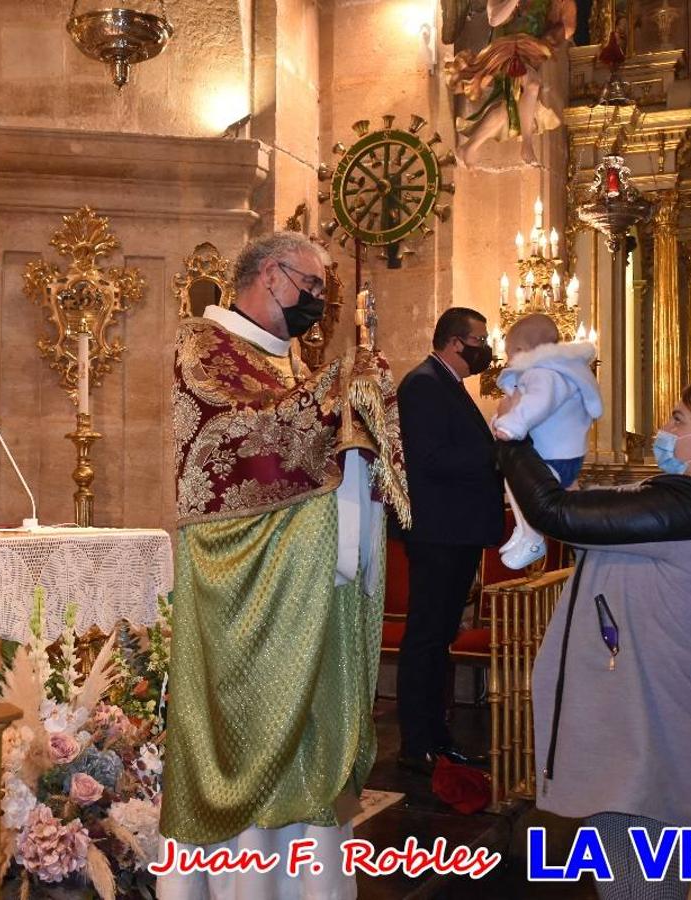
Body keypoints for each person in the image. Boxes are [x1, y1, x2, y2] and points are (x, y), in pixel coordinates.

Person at [497, 375, 691, 898]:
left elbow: (557, 513)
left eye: (678, 420)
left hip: (645, 735)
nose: (663, 429)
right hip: (654, 726)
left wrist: (511, 437)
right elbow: (589, 506)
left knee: (638, 887)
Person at [162, 232, 409, 899]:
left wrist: (363, 406)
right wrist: (339, 400)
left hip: (310, 584)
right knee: (250, 728)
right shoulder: (205, 345)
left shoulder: (293, 365)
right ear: (271, 276)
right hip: (248, 585)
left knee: (311, 729)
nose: (318, 304)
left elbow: (330, 446)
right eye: (312, 288)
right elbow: (237, 441)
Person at [394, 307, 505, 773]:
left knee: (439, 637)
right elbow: (430, 459)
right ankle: (416, 742)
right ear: (457, 342)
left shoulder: (448, 384)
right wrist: (495, 455)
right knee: (426, 637)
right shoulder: (423, 384)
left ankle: (436, 738)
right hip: (438, 532)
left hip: (456, 531)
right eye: (480, 340)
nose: (486, 349)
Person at [491, 313, 601, 569]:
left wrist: (509, 425)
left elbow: (537, 404)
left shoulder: (544, 373)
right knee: (513, 481)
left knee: (523, 487)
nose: (507, 361)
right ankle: (524, 532)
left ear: (519, 350)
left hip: (552, 456)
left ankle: (532, 537)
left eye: (508, 355)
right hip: (560, 456)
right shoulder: (559, 371)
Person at [444, 0, 578, 167]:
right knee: (532, 84)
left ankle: (468, 148)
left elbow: (567, 26)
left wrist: (554, 34)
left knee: (509, 108)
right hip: (506, 50)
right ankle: (527, 145)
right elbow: (494, 19)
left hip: (528, 52)